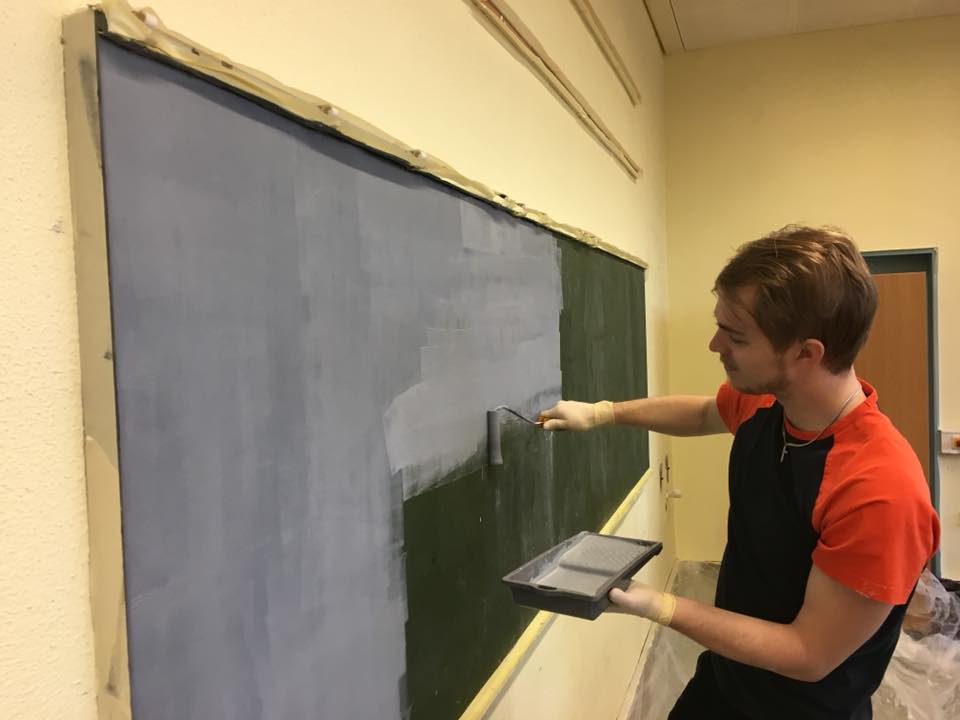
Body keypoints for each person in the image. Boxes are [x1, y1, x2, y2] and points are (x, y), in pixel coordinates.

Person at [538, 225, 940, 720]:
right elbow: (704, 412)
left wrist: (662, 607)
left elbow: (808, 654)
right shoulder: (768, 402)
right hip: (725, 679)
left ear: (806, 353)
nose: (715, 345)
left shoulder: (879, 491)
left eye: (735, 336)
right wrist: (603, 413)